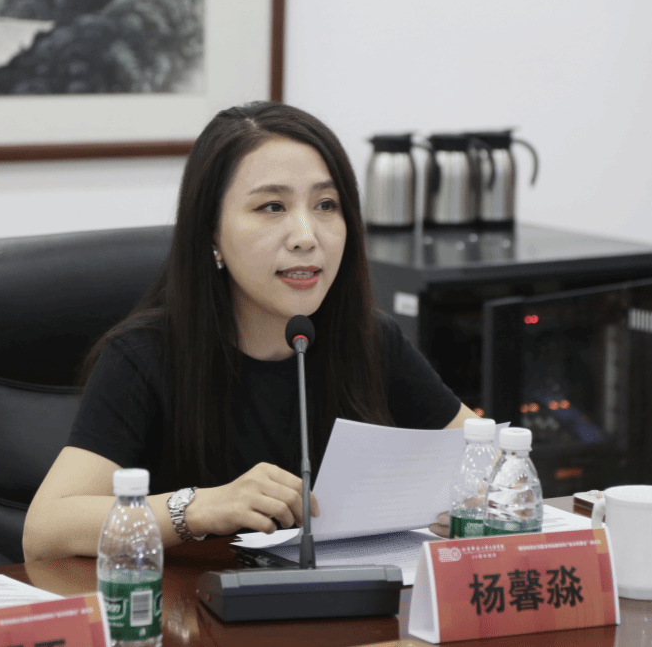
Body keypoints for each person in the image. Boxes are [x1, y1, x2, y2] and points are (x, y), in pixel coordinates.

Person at [23, 102, 479, 561]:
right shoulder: (144, 355)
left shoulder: (369, 339)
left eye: (326, 205)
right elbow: (46, 528)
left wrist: (473, 498)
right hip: (193, 601)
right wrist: (197, 509)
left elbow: (486, 460)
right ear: (211, 233)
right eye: (272, 206)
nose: (306, 236)